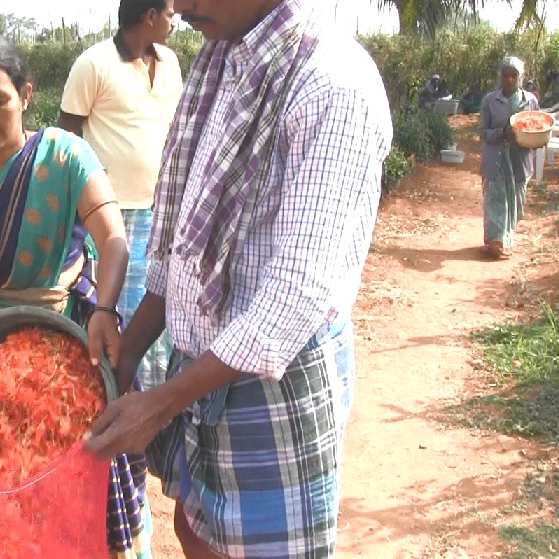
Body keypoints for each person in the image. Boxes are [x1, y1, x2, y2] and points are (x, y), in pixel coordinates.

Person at [84, 0, 393, 557]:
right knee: (196, 529)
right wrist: (132, 347)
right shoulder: (221, 60)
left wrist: (163, 403)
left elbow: (293, 297)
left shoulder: (332, 85)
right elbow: (180, 235)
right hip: (201, 358)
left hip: (275, 378)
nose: (180, 4)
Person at [0, 34, 154, 559]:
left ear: (25, 94)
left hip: (76, 328)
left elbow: (113, 239)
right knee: (0, 465)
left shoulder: (65, 154)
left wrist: (107, 310)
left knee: (91, 457)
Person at [59, 0, 183, 395]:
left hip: (162, 211)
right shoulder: (93, 64)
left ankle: (154, 404)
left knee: (159, 314)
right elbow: (68, 135)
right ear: (149, 16)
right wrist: (85, 206)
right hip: (113, 218)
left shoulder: (170, 63)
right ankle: (121, 404)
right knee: (118, 316)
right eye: (168, 13)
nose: (174, 19)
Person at [478, 56, 540, 259]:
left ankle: (506, 238)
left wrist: (537, 139)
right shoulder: (490, 101)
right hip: (495, 159)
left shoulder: (529, 101)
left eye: (514, 76)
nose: (509, 80)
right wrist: (502, 133)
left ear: (520, 77)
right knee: (495, 201)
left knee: (516, 203)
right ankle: (495, 242)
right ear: (501, 76)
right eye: (506, 75)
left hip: (519, 160)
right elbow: (483, 132)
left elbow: (536, 126)